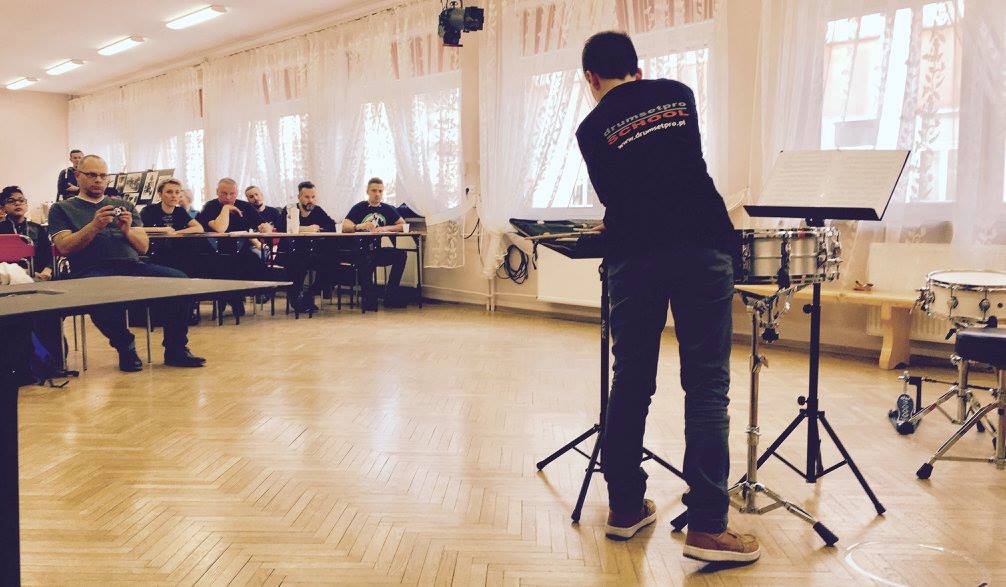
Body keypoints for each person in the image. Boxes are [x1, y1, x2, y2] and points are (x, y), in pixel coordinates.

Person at [575, 32, 757, 563]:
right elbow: (676, 170)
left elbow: (617, 195)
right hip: (700, 244)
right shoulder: (678, 94)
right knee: (706, 385)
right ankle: (707, 527)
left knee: (630, 379)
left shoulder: (589, 129)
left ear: (591, 78)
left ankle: (625, 508)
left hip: (633, 254)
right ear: (638, 69)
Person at [47, 154, 206, 372]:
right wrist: (94, 226)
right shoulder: (62, 208)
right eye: (91, 175)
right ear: (77, 176)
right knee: (99, 292)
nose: (98, 180)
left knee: (180, 281)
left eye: (103, 175)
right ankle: (125, 346)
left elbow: (143, 247)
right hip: (91, 270)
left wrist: (127, 231)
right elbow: (64, 247)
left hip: (132, 266)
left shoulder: (124, 205)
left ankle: (176, 348)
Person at [196, 178, 273, 317]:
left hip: (241, 250)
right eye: (224, 193)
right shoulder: (210, 206)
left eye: (232, 194)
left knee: (255, 263)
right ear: (217, 192)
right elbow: (219, 228)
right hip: (215, 251)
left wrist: (265, 227)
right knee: (224, 264)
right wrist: (226, 208)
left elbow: (263, 224)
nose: (228, 197)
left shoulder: (245, 206)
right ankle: (231, 299)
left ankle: (231, 298)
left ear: (237, 193)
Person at [341, 177, 408, 310]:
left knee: (401, 255)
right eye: (374, 190)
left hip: (376, 250)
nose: (377, 194)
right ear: (367, 191)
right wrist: (359, 226)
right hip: (359, 250)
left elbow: (403, 225)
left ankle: (390, 294)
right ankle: (369, 297)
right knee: (366, 258)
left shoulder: (387, 208)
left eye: (380, 191)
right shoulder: (359, 207)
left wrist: (385, 228)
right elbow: (344, 226)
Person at [276, 181, 338, 313]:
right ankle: (296, 300)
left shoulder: (317, 210)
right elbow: (283, 227)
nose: (311, 200)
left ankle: (309, 295)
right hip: (291, 252)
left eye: (313, 197)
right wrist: (306, 229)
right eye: (307, 197)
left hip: (312, 252)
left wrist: (318, 229)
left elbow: (331, 225)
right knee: (298, 266)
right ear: (299, 197)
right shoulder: (290, 209)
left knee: (332, 265)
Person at [139, 179, 210, 276]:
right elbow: (137, 229)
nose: (174, 195)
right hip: (155, 254)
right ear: (160, 194)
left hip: (177, 253)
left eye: (177, 192)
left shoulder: (180, 211)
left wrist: (176, 232)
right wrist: (163, 230)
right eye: (169, 192)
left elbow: (199, 228)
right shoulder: (148, 210)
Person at [0, 186, 53, 281]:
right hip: (9, 278)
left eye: (21, 200)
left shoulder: (38, 229)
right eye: (11, 201)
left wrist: (47, 270)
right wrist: (24, 272)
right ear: (2, 208)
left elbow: (49, 254)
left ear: (26, 205)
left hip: (39, 277)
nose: (17, 203)